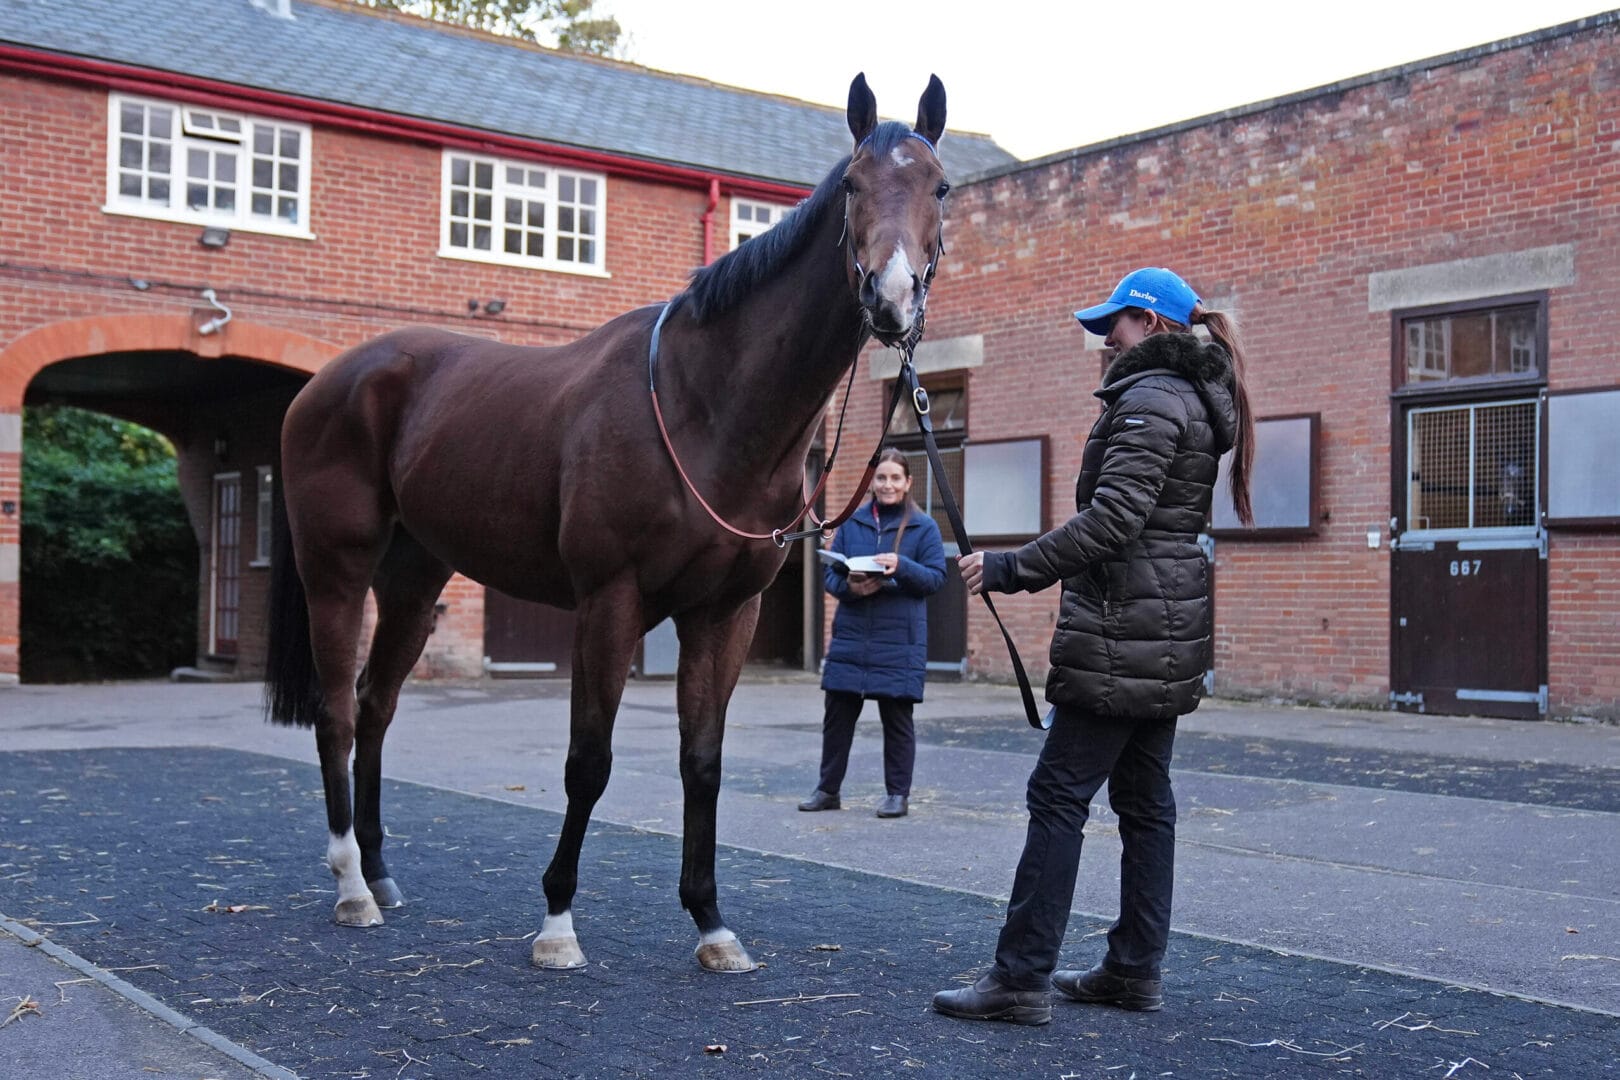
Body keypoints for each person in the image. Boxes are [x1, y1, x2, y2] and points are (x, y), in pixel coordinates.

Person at [931, 267, 1254, 1025]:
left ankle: (1018, 979)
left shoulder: (1150, 399)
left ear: (1150, 321)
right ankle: (1133, 971)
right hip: (1167, 629)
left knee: (1057, 796)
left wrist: (1011, 569)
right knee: (1146, 804)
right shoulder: (1197, 399)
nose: (1104, 339)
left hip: (1123, 631)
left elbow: (1114, 521)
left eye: (1115, 323)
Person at [799, 449, 946, 819]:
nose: (887, 485)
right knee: (837, 720)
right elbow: (831, 576)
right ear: (872, 483)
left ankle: (898, 795)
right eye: (881, 478)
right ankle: (827, 790)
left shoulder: (924, 527)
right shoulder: (851, 523)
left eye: (895, 478)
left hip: (899, 642)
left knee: (897, 721)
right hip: (851, 638)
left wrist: (901, 567)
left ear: (908, 482)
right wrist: (849, 586)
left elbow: (935, 578)